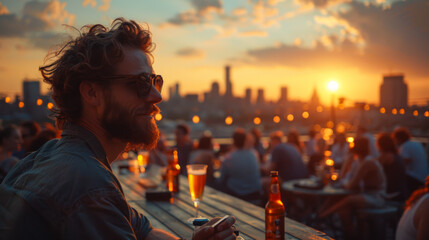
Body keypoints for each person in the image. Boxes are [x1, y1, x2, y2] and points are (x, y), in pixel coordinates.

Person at [0, 18, 236, 240]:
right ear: (92, 93)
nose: (156, 96)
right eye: (141, 83)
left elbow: (145, 232)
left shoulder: (50, 156)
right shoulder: (88, 185)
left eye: (155, 81)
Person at [319, 137, 386, 239]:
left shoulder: (368, 162)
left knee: (349, 200)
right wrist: (347, 162)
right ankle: (349, 234)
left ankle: (323, 216)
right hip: (365, 194)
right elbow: (344, 179)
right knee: (340, 205)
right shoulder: (358, 161)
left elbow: (351, 184)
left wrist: (346, 182)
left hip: (376, 197)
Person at [219, 128, 262, 202]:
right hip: (255, 194)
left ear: (234, 141)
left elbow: (221, 179)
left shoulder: (228, 158)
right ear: (245, 141)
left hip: (237, 196)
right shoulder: (254, 154)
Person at [393, 127, 429, 196]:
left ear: (398, 138)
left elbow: (402, 165)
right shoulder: (416, 143)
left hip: (416, 178)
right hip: (424, 177)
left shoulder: (405, 146)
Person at [376, 133, 408, 201]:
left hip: (392, 194)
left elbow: (374, 170)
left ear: (380, 145)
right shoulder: (396, 155)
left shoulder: (386, 156)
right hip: (401, 191)